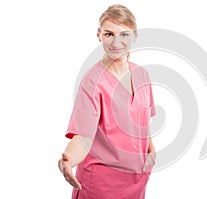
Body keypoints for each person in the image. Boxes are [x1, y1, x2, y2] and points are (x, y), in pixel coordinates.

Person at [58, 4, 156, 199]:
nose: (116, 42)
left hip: (136, 181)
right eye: (109, 34)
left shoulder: (142, 75)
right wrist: (68, 161)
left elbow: (143, 121)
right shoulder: (93, 81)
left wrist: (151, 151)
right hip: (101, 185)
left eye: (124, 35)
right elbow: (83, 136)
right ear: (99, 35)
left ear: (134, 36)